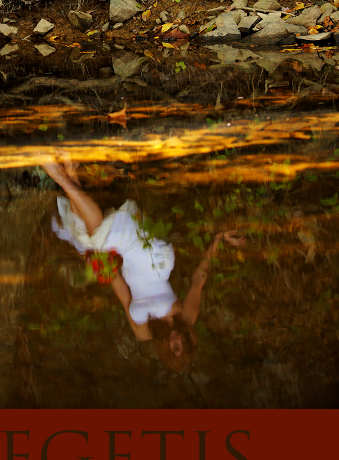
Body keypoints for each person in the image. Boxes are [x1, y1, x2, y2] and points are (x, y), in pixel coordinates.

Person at [44, 159, 245, 373]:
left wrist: (105, 267)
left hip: (129, 261)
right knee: (98, 237)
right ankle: (60, 177)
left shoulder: (142, 332)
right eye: (184, 342)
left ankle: (71, 172)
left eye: (176, 347)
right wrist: (217, 240)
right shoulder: (186, 318)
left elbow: (123, 293)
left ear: (166, 351)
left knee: (87, 240)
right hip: (154, 260)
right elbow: (198, 279)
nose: (178, 339)